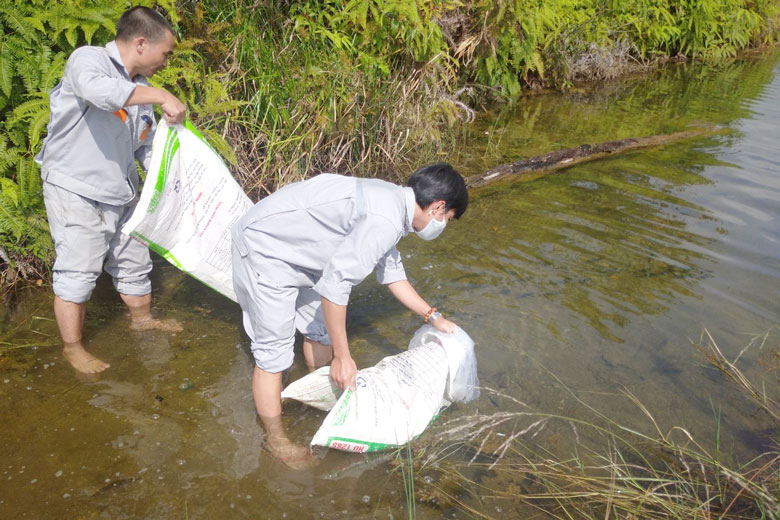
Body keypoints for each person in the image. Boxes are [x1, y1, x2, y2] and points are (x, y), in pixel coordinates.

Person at [231, 163, 468, 466]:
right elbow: (335, 287)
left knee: (322, 330)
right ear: (438, 206)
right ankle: (275, 441)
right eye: (447, 218)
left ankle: (311, 394)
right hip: (265, 249)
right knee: (273, 353)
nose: (443, 225)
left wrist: (433, 316)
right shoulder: (385, 218)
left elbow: (393, 275)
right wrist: (344, 357)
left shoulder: (395, 205)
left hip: (301, 252)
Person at [35, 6, 188, 374]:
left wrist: (178, 182)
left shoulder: (146, 91)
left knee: (135, 262)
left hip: (121, 191)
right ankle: (72, 349)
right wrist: (161, 96)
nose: (166, 62)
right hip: (77, 190)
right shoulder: (87, 60)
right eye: (165, 53)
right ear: (140, 43)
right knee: (78, 270)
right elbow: (102, 94)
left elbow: (146, 148)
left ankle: (142, 320)